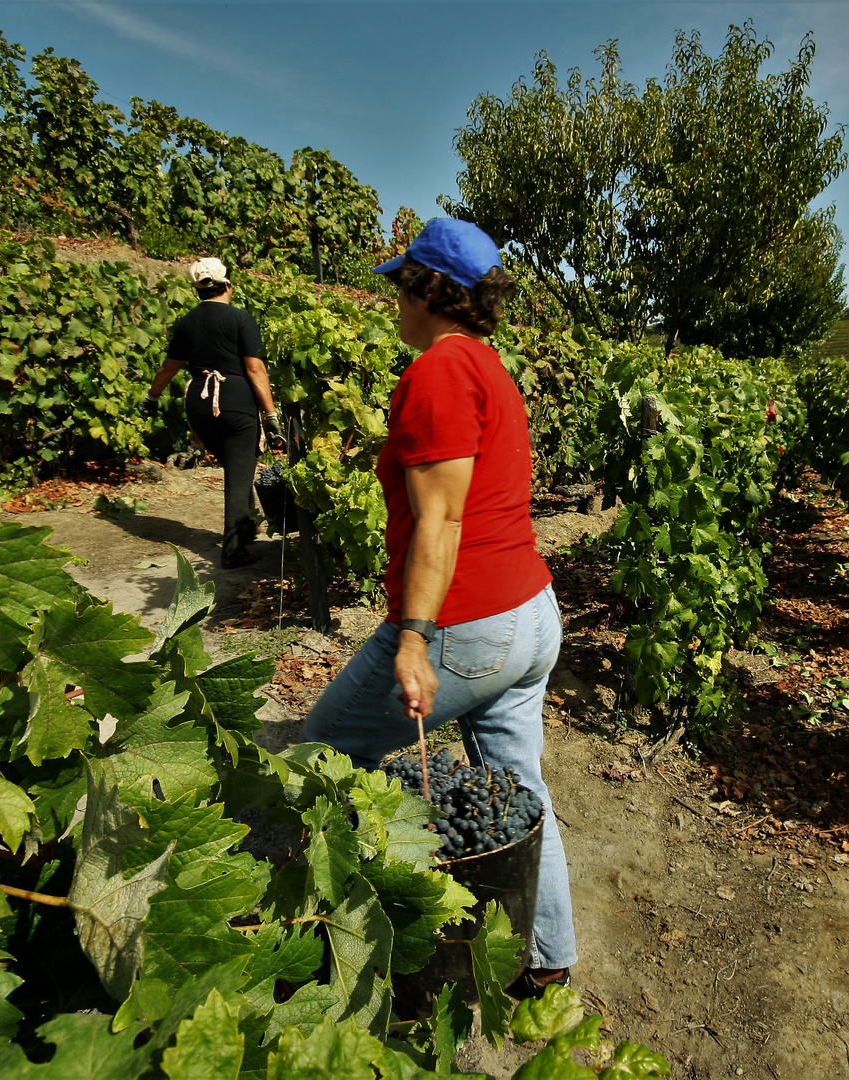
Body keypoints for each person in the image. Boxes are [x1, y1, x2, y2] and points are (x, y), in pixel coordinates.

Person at [300, 218, 576, 996]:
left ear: (430, 289)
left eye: (401, 283)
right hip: (530, 613)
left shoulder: (440, 373)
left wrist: (414, 639)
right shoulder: (489, 366)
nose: (393, 298)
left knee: (322, 747)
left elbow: (442, 520)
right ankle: (548, 958)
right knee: (519, 789)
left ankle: (362, 930)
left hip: (469, 626)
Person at [142, 257, 283, 568]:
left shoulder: (187, 322)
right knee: (238, 473)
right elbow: (254, 368)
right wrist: (271, 415)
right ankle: (234, 551)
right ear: (227, 285)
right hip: (235, 402)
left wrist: (152, 397)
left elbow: (169, 368)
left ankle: (246, 529)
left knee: (238, 466)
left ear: (198, 291)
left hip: (200, 406)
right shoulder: (240, 319)